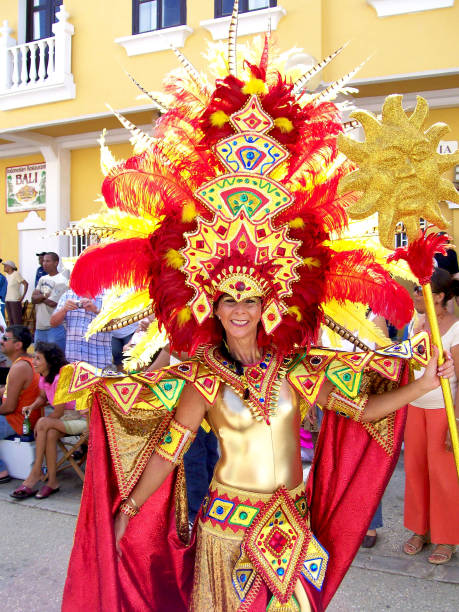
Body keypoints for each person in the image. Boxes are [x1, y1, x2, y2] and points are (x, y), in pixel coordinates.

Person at [58, 29, 456, 610]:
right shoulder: (204, 379)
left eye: (249, 300)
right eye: (228, 301)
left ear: (269, 305)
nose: (240, 309)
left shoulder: (295, 367)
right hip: (226, 530)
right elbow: (171, 451)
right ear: (212, 309)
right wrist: (131, 512)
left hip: (291, 530)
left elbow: (363, 409)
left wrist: (422, 384)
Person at [403, 269, 459, 565]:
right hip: (416, 407)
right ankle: (420, 530)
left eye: (420, 289)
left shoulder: (456, 328)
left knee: (444, 476)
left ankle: (447, 538)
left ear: (438, 296)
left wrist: (456, 424)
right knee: (415, 470)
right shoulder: (417, 322)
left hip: (443, 411)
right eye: (414, 289)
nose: (415, 294)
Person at [10, 342, 87, 500]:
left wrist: (41, 423)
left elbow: (57, 412)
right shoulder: (44, 378)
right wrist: (32, 406)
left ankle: (36, 472)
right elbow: (42, 397)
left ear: (49, 362)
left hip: (82, 418)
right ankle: (52, 482)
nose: (34, 362)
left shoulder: (60, 379)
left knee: (43, 423)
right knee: (50, 433)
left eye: (38, 359)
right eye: (34, 358)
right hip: (64, 419)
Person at [0, 326, 40, 483]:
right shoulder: (28, 361)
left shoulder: (19, 367)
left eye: (5, 339)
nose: (2, 342)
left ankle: (1, 471)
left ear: (18, 345)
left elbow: (8, 408)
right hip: (27, 418)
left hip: (19, 422)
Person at [50, 289, 112, 369]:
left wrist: (96, 310)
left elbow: (116, 323)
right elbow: (53, 323)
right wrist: (64, 309)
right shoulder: (67, 295)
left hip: (99, 362)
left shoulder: (108, 295)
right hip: (73, 363)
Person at [32, 252, 68, 351]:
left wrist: (40, 297)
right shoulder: (42, 279)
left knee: (55, 359)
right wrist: (44, 296)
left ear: (56, 263)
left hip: (54, 327)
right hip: (40, 327)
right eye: (43, 261)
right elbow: (33, 299)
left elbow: (53, 303)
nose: (44, 263)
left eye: (48, 261)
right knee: (39, 358)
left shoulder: (62, 281)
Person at [2, 260, 28, 325]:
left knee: (16, 321)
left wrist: (23, 296)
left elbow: (26, 284)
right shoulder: (6, 275)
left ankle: (18, 335)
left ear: (10, 267)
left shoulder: (16, 274)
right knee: (11, 320)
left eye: (5, 266)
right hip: (7, 300)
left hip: (14, 300)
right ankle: (12, 335)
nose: (4, 267)